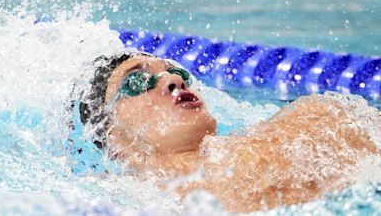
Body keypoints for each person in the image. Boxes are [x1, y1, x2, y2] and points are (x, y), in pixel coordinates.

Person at [76, 51, 381, 212]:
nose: (173, 80)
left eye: (177, 72)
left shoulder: (310, 116)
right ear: (111, 134)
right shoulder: (135, 203)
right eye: (137, 82)